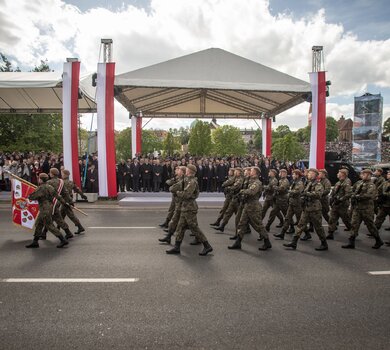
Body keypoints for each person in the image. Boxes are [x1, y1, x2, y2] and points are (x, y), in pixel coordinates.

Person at [166, 165, 213, 256]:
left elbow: (186, 194)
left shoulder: (192, 182)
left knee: (194, 227)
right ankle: (177, 247)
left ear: (189, 171)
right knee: (180, 227)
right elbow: (173, 187)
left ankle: (207, 246)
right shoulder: (186, 180)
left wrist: (177, 192)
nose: (185, 170)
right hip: (185, 207)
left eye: (187, 169)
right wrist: (174, 189)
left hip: (190, 208)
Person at [283, 168, 328, 251]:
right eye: (309, 173)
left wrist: (306, 194)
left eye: (310, 173)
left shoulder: (318, 184)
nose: (308, 175)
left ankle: (324, 243)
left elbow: (318, 194)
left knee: (318, 227)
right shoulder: (309, 183)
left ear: (315, 175)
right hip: (307, 208)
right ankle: (294, 242)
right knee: (300, 225)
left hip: (315, 209)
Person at [228, 167, 271, 251]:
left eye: (251, 171)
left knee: (258, 225)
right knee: (242, 223)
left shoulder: (257, 183)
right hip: (247, 205)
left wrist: (242, 191)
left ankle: (267, 241)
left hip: (253, 207)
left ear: (255, 173)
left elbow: (251, 192)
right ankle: (238, 242)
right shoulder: (251, 181)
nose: (249, 172)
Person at [342, 169, 384, 249]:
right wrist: (353, 195)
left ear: (369, 175)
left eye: (365, 174)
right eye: (363, 174)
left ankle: (378, 240)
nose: (363, 175)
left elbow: (369, 195)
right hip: (357, 208)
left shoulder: (371, 185)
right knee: (354, 224)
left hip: (366, 209)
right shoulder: (359, 183)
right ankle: (351, 242)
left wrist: (357, 196)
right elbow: (352, 190)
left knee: (370, 225)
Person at [25, 173, 69, 249]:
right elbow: (58, 196)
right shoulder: (50, 187)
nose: (38, 180)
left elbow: (32, 197)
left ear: (41, 179)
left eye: (39, 178)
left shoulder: (41, 188)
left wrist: (29, 195)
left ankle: (63, 239)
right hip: (49, 207)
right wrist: (65, 203)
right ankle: (35, 241)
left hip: (44, 208)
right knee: (39, 223)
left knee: (49, 225)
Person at [274, 169, 304, 240]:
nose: (292, 175)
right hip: (291, 203)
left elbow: (297, 191)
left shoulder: (300, 183)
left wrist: (289, 191)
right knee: (287, 218)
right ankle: (282, 233)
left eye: (294, 174)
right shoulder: (294, 182)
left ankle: (307, 233)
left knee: (300, 220)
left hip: (297, 203)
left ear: (297, 175)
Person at [214, 168, 244, 233]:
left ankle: (240, 231)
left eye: (236, 171)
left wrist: (228, 188)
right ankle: (222, 226)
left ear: (239, 172)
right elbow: (228, 183)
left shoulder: (240, 180)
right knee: (228, 212)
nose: (235, 172)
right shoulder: (235, 178)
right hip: (233, 199)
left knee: (239, 217)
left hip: (237, 200)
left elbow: (235, 187)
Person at [327, 169, 352, 239]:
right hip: (335, 204)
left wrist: (340, 199)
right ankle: (330, 233)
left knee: (345, 219)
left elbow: (348, 194)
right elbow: (333, 191)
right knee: (332, 218)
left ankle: (352, 230)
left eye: (339, 172)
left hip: (342, 205)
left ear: (343, 174)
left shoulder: (347, 182)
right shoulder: (338, 183)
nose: (337, 174)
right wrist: (331, 198)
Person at [60, 169, 87, 235]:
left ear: (66, 175)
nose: (61, 175)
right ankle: (59, 228)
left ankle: (80, 227)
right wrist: (82, 195)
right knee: (61, 215)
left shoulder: (62, 182)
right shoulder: (71, 182)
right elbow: (77, 189)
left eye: (62, 174)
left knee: (70, 215)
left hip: (65, 200)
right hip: (69, 199)